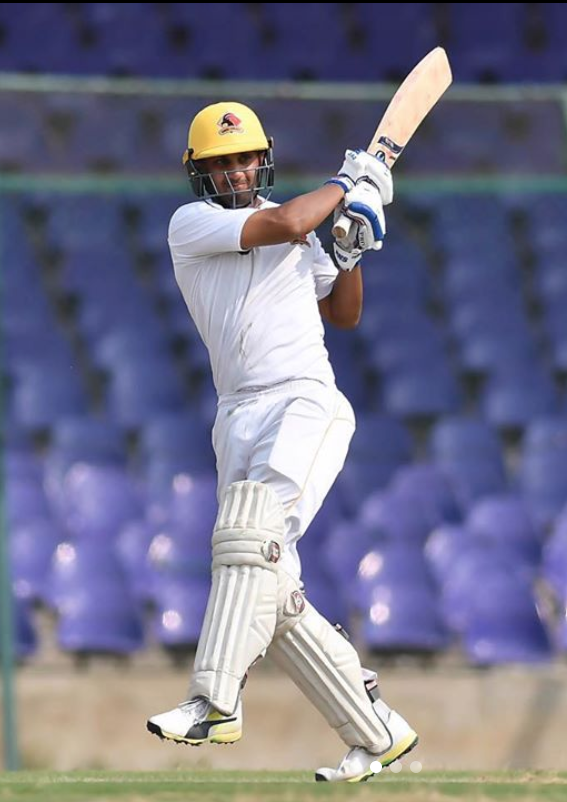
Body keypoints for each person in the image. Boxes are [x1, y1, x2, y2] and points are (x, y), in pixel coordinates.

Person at [146, 102, 417, 782]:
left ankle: (213, 698)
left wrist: (351, 251)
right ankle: (375, 727)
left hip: (304, 400)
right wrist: (352, 182)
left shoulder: (298, 229)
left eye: (243, 158)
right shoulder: (196, 224)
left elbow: (344, 312)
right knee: (277, 591)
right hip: (236, 414)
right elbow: (289, 220)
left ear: (262, 159)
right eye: (219, 163)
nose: (235, 171)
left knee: (249, 538)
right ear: (198, 174)